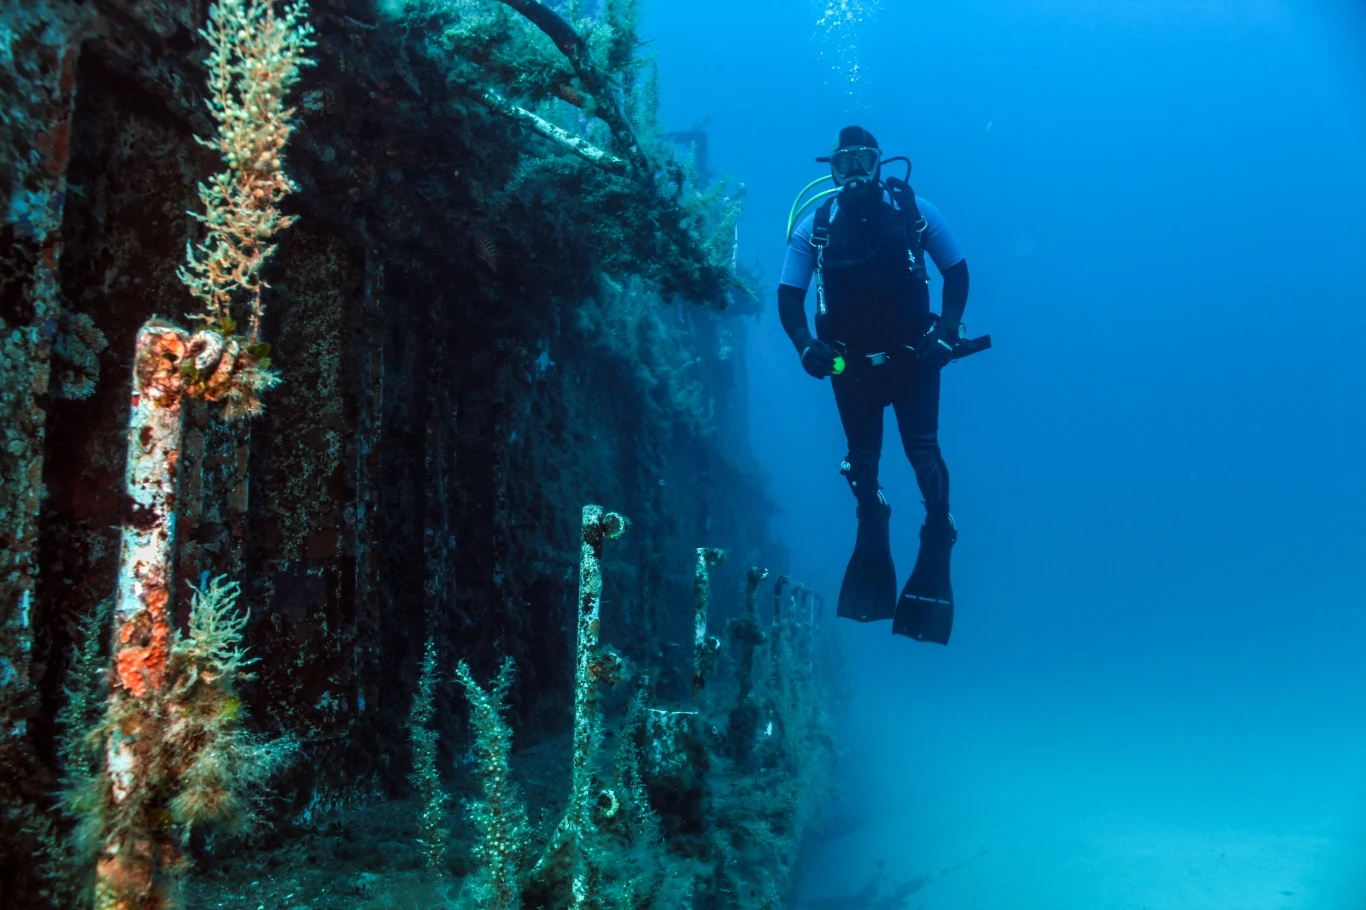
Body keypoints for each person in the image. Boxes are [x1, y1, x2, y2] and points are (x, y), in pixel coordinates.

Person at [778, 125, 972, 644]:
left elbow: (957, 272)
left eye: (865, 160)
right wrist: (804, 346)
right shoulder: (814, 226)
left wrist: (948, 333)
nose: (856, 172)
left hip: (915, 360)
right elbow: (788, 298)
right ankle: (871, 509)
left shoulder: (916, 212)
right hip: (851, 368)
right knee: (862, 459)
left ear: (881, 163)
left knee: (922, 453)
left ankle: (937, 524)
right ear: (832, 169)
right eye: (845, 164)